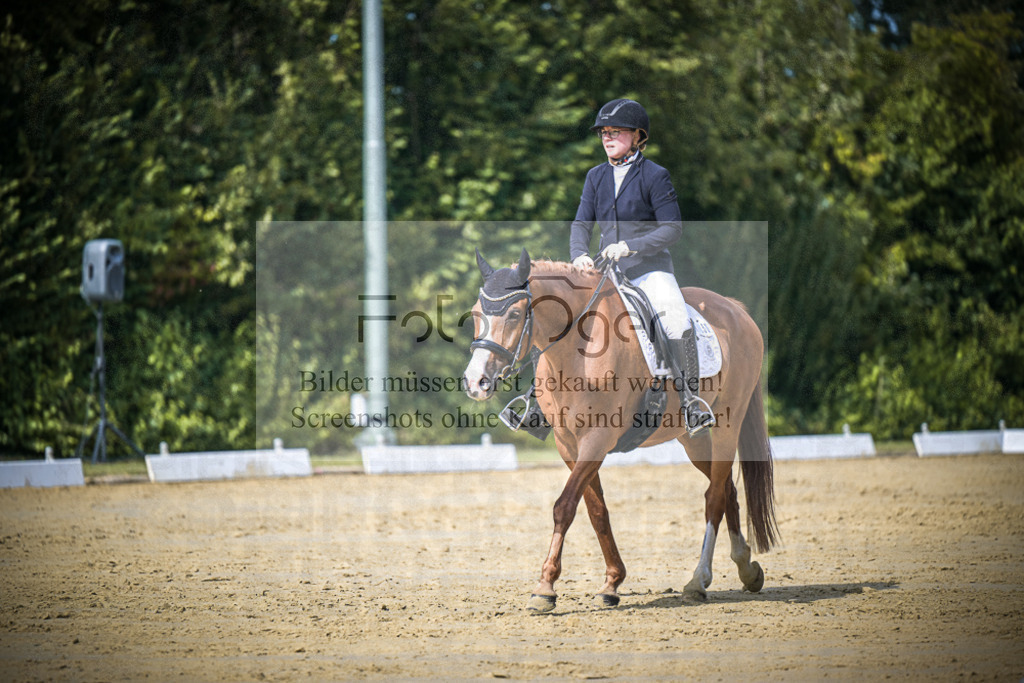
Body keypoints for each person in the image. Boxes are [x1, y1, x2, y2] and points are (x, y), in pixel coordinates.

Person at [569, 98, 715, 436]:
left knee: (675, 319)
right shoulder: (595, 176)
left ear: (637, 136)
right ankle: (536, 402)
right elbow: (581, 224)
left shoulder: (654, 175)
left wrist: (630, 246)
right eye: (604, 132)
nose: (607, 138)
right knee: (561, 313)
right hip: (606, 272)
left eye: (616, 132)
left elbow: (672, 229)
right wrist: (578, 254)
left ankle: (691, 402)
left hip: (649, 270)